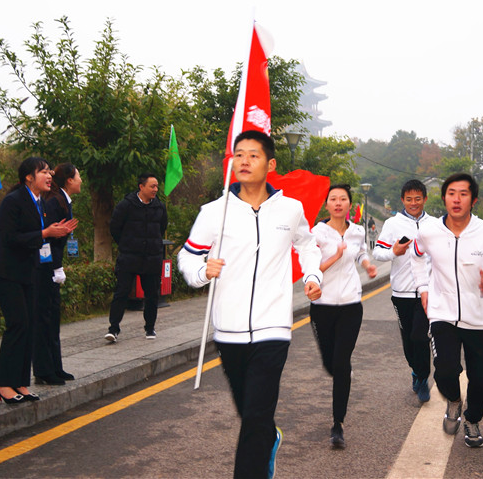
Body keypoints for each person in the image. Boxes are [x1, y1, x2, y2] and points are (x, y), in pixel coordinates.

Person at [178, 130, 322, 479]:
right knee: (250, 412)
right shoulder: (215, 212)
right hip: (229, 330)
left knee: (256, 414)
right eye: (238, 154)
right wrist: (201, 270)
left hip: (273, 326)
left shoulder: (290, 209)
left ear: (270, 164)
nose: (244, 160)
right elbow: (187, 257)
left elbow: (307, 244)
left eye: (253, 155)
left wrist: (312, 275)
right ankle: (270, 438)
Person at [411, 173, 483, 449]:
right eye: (451, 193)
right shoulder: (429, 231)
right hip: (442, 313)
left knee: (481, 379)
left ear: (474, 200)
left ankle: (472, 419)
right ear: (443, 198)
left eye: (463, 194)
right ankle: (454, 401)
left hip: (479, 318)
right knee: (444, 369)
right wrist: (423, 288)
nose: (457, 199)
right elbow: (417, 255)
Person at [0, 157, 74, 404]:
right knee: (17, 326)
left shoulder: (39, 202)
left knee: (28, 327)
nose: (49, 176)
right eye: (43, 172)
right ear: (28, 177)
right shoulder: (13, 201)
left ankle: (20, 383)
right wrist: (45, 233)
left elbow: (35, 236)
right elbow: (10, 237)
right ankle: (3, 384)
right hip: (7, 274)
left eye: (49, 171)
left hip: (27, 273)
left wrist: (53, 232)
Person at [311, 184, 377, 449]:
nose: (338, 203)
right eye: (333, 199)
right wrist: (335, 257)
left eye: (343, 199)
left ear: (350, 204)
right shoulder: (317, 232)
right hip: (322, 305)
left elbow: (360, 251)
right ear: (326, 204)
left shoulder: (358, 231)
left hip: (351, 303)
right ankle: (342, 370)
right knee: (331, 364)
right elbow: (312, 267)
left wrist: (367, 263)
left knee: (340, 363)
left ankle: (337, 424)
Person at [372, 179, 433, 403]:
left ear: (425, 199)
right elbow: (378, 252)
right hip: (401, 292)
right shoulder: (392, 224)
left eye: (418, 198)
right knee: (408, 339)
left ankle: (424, 378)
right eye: (409, 199)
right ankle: (416, 370)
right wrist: (393, 252)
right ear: (402, 200)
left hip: (427, 292)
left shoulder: (434, 224)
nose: (414, 203)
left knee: (420, 335)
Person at [105, 173, 167, 342]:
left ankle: (150, 328)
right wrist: (127, 244)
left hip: (152, 259)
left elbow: (161, 229)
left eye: (156, 186)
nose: (155, 189)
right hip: (129, 257)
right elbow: (115, 228)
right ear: (141, 187)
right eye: (152, 186)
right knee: (121, 292)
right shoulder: (126, 205)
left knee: (152, 295)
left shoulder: (159, 207)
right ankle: (113, 329)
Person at [33, 163, 80, 385]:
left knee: (52, 319)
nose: (81, 181)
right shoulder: (53, 202)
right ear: (69, 180)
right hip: (44, 269)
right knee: (44, 319)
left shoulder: (61, 200)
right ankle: (44, 370)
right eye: (78, 176)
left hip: (51, 266)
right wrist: (54, 266)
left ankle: (55, 367)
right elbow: (48, 237)